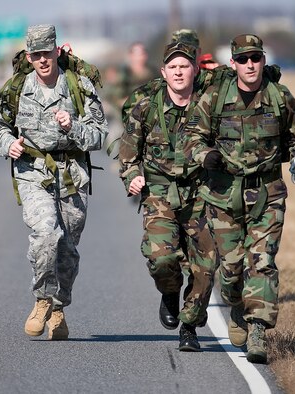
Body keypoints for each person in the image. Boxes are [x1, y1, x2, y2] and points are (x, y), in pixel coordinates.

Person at [183, 34, 295, 363]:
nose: (250, 64)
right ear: (233, 63)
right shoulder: (214, 98)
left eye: (255, 58)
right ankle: (238, 305)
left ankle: (257, 331)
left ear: (263, 60)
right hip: (224, 196)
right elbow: (191, 138)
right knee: (231, 271)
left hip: (267, 194)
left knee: (262, 262)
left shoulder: (280, 97)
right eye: (243, 59)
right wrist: (205, 155)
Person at [0, 24, 108, 340]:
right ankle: (42, 300)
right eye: (36, 55)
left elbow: (98, 135)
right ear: (29, 56)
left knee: (67, 249)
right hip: (33, 172)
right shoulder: (15, 89)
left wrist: (74, 128)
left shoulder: (78, 87)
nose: (42, 60)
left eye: (47, 53)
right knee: (45, 234)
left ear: (56, 52)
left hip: (72, 176)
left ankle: (58, 307)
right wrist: (7, 144)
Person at [119, 41, 218, 351]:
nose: (178, 72)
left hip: (201, 194)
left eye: (184, 66)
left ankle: (189, 327)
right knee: (162, 260)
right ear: (163, 72)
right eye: (172, 67)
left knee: (205, 266)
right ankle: (170, 293)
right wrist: (132, 175)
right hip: (159, 194)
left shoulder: (209, 106)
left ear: (195, 70)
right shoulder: (146, 107)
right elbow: (127, 150)